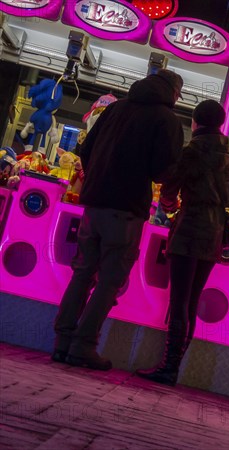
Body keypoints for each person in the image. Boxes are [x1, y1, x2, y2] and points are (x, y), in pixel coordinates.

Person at [53, 69, 184, 370]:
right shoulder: (167, 120)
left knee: (82, 273)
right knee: (110, 280)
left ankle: (61, 342)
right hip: (125, 211)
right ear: (173, 93)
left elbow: (85, 151)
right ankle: (83, 346)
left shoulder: (115, 108)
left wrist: (101, 177)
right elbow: (164, 171)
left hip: (94, 205)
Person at [136, 99, 229, 386]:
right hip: (214, 233)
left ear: (196, 123)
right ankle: (175, 365)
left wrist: (170, 204)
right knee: (192, 300)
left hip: (189, 227)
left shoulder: (192, 151)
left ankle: (169, 368)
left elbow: (169, 189)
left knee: (179, 300)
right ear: (220, 124)